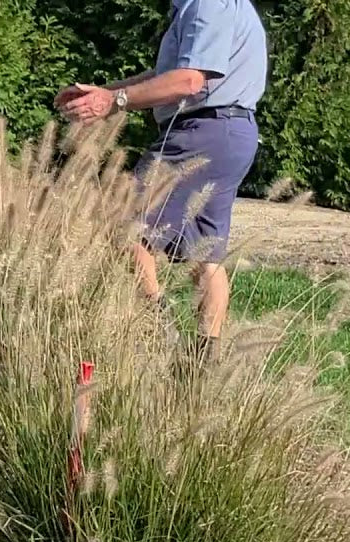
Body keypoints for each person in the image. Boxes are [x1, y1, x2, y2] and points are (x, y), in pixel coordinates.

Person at [55, 0, 268, 363]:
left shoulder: (207, 2)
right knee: (206, 253)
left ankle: (159, 336)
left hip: (201, 133)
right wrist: (104, 94)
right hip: (231, 132)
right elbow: (168, 74)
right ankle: (202, 367)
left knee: (123, 224)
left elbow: (189, 80)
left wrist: (114, 100)